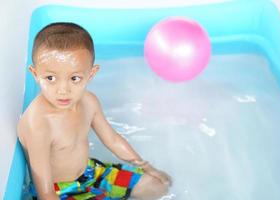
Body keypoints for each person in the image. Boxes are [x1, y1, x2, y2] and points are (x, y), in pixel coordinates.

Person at [17, 22, 171, 200]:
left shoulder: (88, 102)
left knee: (158, 185)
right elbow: (45, 193)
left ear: (91, 74)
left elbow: (112, 140)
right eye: (50, 78)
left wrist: (147, 167)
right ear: (36, 75)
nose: (63, 90)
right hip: (58, 190)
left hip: (89, 173)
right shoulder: (39, 124)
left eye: (74, 78)